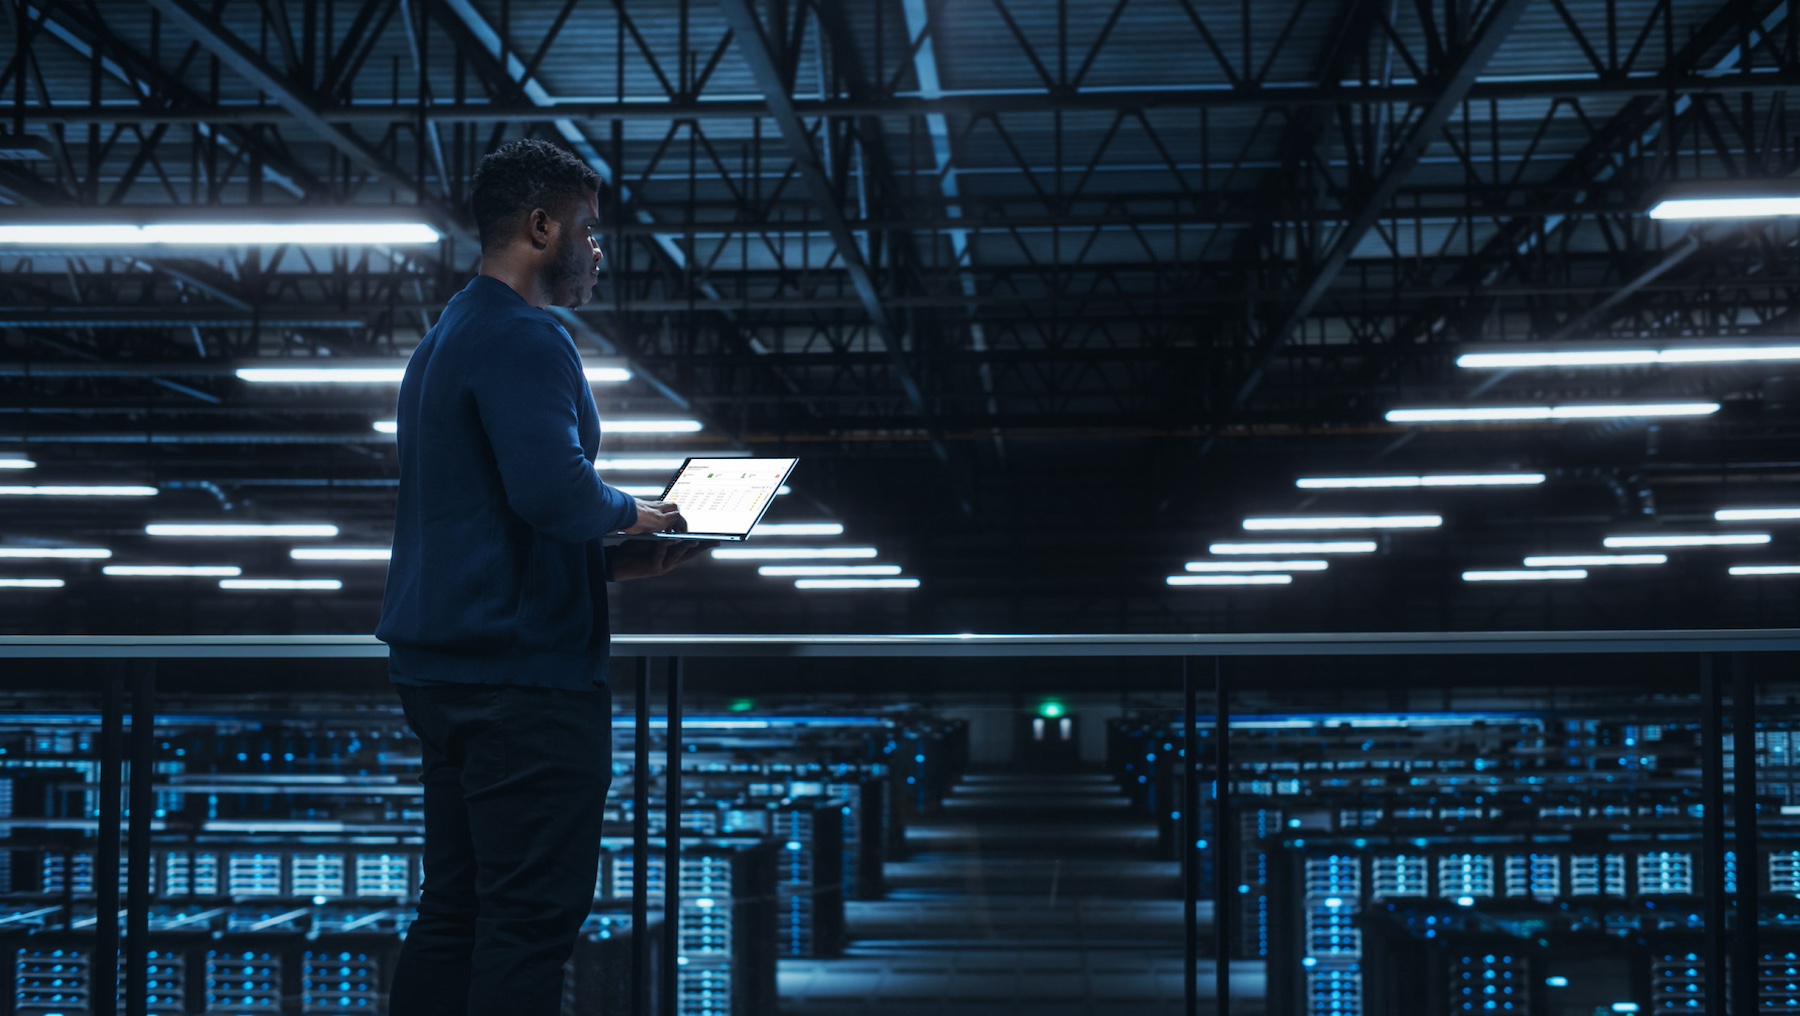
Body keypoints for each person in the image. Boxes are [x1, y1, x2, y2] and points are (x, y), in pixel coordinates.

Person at [376, 137, 703, 1016]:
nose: (597, 250)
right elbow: (555, 493)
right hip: (522, 685)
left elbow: (490, 513)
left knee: (455, 910)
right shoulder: (528, 336)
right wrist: (644, 513)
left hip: (443, 671)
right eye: (590, 231)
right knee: (530, 924)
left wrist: (610, 563)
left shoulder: (446, 337)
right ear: (540, 226)